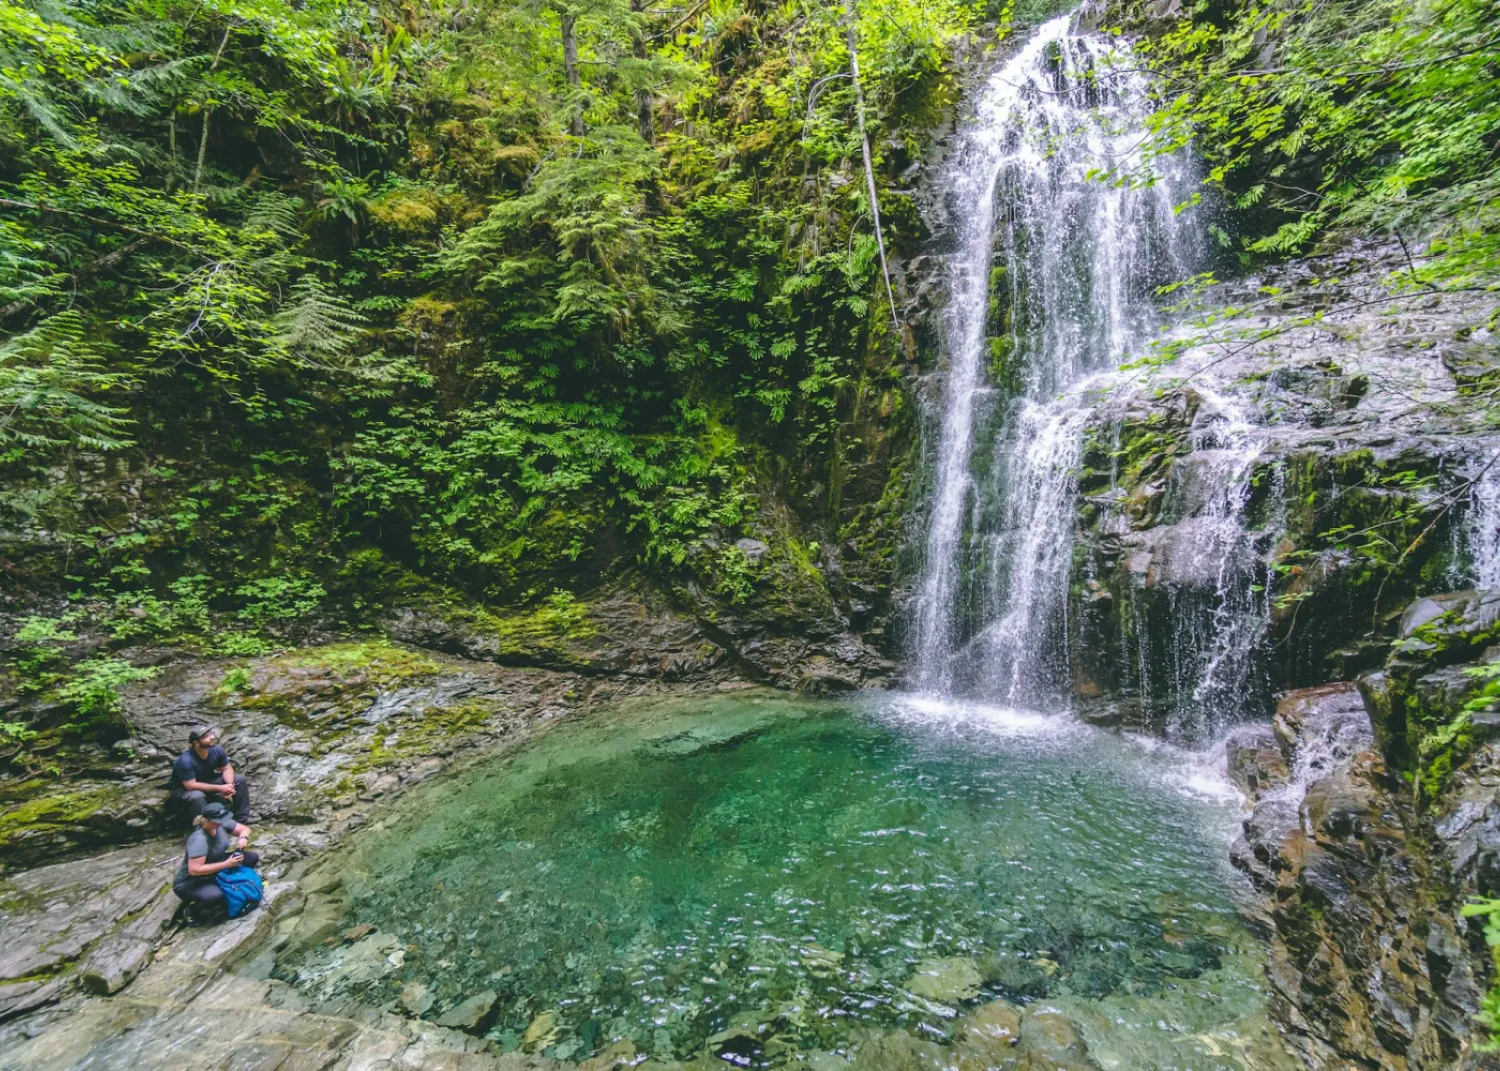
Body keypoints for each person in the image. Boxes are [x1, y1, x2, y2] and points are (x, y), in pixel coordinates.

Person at [171, 801, 260, 918]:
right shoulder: (199, 839)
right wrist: (226, 864)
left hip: (217, 865)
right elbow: (194, 870)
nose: (221, 822)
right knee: (215, 896)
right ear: (207, 821)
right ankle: (192, 910)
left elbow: (244, 829)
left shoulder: (221, 823)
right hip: (193, 881)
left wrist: (243, 838)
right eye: (217, 820)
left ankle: (235, 885)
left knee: (251, 858)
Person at [170, 726, 251, 825]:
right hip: (183, 788)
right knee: (197, 796)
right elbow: (191, 785)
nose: (212, 737)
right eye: (206, 736)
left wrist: (229, 785)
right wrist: (220, 788)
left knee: (240, 780)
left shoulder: (217, 750)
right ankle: (203, 827)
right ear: (196, 743)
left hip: (206, 780)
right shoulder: (185, 761)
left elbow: (227, 768)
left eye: (211, 734)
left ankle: (240, 819)